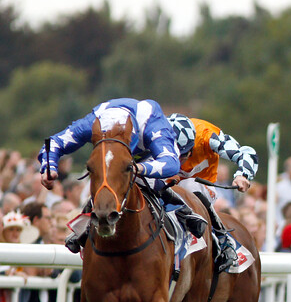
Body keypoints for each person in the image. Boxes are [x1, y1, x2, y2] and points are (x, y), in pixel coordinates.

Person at [38, 98, 207, 253]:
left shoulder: (152, 122)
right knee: (103, 172)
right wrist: (49, 166)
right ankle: (87, 219)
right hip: (111, 157)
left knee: (140, 177)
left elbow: (171, 163)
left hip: (146, 156)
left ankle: (182, 208)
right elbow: (53, 143)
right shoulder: (92, 122)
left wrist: (139, 168)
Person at [167, 114, 259, 272]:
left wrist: (242, 175)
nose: (179, 161)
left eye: (183, 155)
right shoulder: (154, 134)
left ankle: (223, 240)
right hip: (167, 182)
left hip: (200, 185)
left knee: (187, 186)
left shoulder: (207, 136)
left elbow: (247, 153)